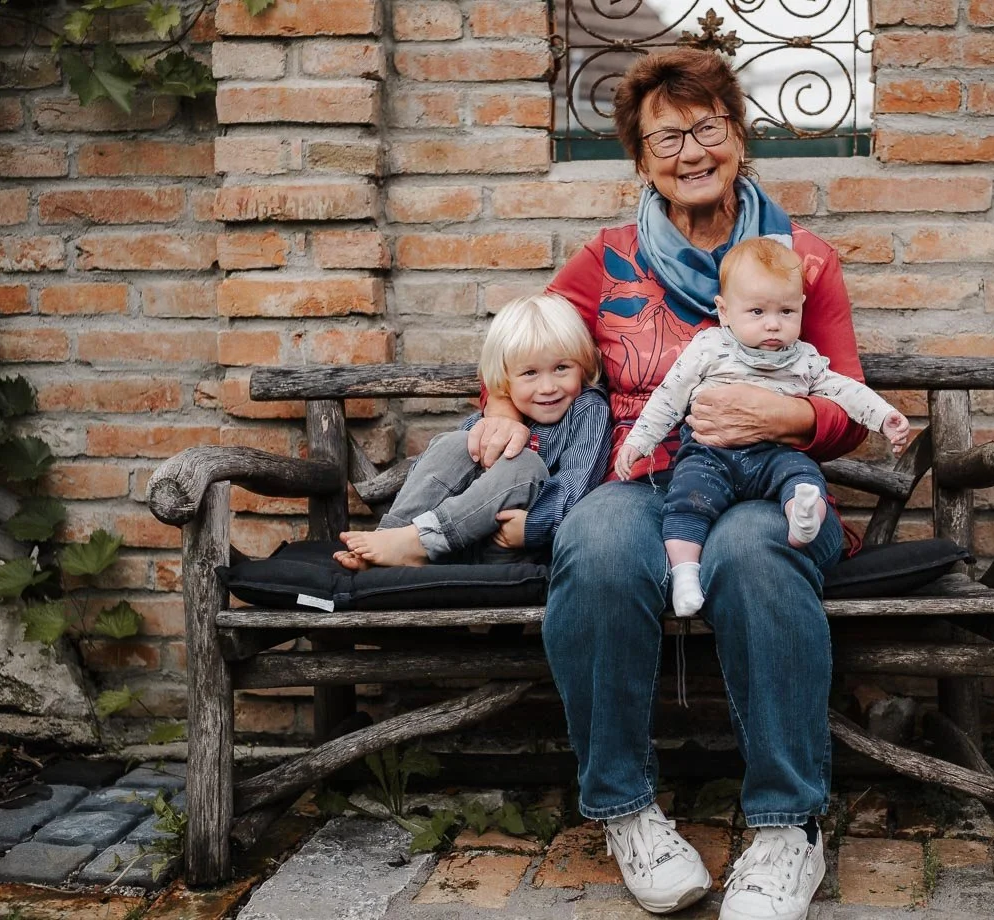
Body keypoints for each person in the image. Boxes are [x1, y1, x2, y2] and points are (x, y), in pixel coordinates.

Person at [465, 49, 872, 920]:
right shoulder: (606, 260)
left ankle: (786, 828)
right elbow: (524, 337)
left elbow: (846, 405)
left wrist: (784, 419)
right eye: (664, 140)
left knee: (756, 550)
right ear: (641, 162)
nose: (690, 152)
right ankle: (628, 810)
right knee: (601, 541)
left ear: (737, 135)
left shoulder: (802, 262)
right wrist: (499, 402)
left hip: (771, 485)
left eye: (705, 128)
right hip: (644, 478)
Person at [615, 237, 909, 618]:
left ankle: (803, 518)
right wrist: (638, 441)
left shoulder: (803, 358)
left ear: (801, 309)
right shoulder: (710, 348)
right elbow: (669, 397)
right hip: (709, 455)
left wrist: (884, 417)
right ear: (724, 312)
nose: (773, 324)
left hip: (774, 455)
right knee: (687, 497)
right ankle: (685, 574)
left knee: (803, 477)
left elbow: (846, 391)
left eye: (787, 312)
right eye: (756, 312)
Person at [334, 293, 610, 570]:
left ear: (584, 365)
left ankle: (417, 542)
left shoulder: (587, 409)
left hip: (516, 547)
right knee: (455, 443)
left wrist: (534, 525)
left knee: (524, 465)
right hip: (460, 544)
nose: (548, 386)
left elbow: (577, 487)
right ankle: (391, 540)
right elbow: (437, 471)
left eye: (561, 368)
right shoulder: (497, 418)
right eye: (530, 373)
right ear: (505, 379)